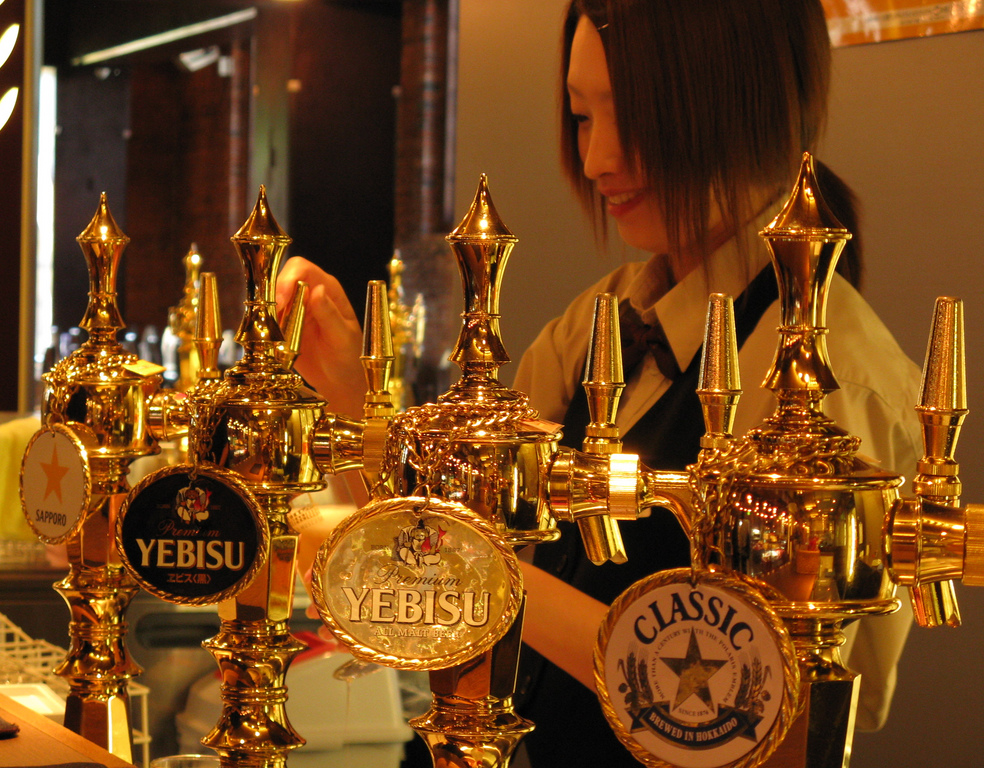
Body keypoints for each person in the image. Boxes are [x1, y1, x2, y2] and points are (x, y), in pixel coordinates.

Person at [276, 1, 919, 765]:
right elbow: (429, 594)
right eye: (583, 118)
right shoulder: (600, 322)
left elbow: (784, 706)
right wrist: (346, 395)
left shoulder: (843, 383)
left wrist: (480, 575)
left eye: (634, 114)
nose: (596, 159)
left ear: (743, 104)